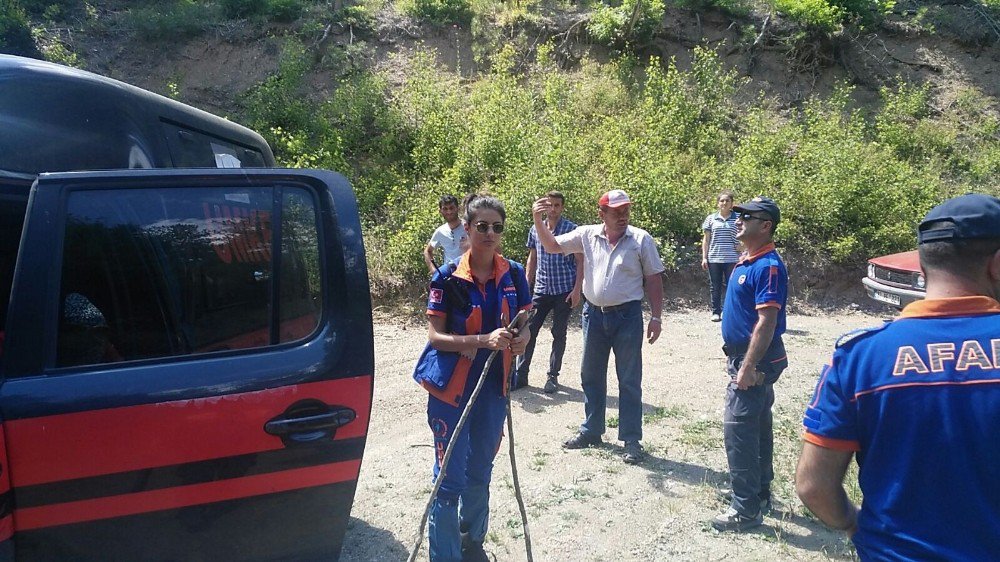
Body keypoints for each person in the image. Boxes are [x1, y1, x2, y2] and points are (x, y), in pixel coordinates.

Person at [796, 193, 1000, 560]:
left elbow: (813, 486)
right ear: (997, 265)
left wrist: (851, 522)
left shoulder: (860, 356)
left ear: (923, 267)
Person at [412, 195, 532, 562]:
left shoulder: (512, 273)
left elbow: (523, 323)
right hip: (452, 392)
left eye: (497, 226)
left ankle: (472, 543)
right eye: (481, 226)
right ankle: (445, 557)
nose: (489, 233)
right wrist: (482, 340)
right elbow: (435, 337)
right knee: (449, 479)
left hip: (494, 391)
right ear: (466, 228)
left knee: (481, 468)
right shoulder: (447, 279)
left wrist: (522, 340)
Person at [531, 189, 665, 465]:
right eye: (616, 211)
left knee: (629, 378)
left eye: (626, 210)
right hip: (593, 315)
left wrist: (656, 316)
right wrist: (537, 220)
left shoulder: (640, 240)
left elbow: (654, 279)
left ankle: (631, 439)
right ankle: (592, 430)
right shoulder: (586, 235)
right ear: (601, 213)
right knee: (590, 374)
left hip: (627, 316)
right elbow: (552, 246)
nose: (623, 216)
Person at [713, 196, 788, 532]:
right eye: (738, 213)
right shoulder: (749, 261)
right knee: (757, 426)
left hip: (754, 358)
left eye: (747, 215)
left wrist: (746, 366)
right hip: (746, 355)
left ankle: (745, 511)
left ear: (766, 225)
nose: (738, 218)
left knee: (739, 431)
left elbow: (767, 321)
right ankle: (758, 494)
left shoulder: (767, 265)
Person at [512, 190, 583, 393]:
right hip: (541, 289)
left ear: (562, 207)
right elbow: (532, 259)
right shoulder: (536, 229)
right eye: (549, 204)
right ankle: (521, 374)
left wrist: (577, 290)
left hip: (564, 290)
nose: (552, 209)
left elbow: (580, 261)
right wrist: (525, 287)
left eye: (557, 205)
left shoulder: (571, 229)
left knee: (558, 333)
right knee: (529, 331)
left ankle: (552, 377)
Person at [701, 190, 740, 322]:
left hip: (733, 258)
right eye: (721, 201)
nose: (724, 203)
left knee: (732, 285)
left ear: (731, 203)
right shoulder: (711, 219)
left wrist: (743, 248)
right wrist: (704, 257)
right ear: (718, 203)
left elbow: (745, 235)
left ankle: (729, 312)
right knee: (715, 286)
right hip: (714, 258)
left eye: (727, 201)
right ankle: (716, 312)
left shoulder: (738, 218)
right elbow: (706, 240)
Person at [423, 194, 469, 274]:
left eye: (451, 208)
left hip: (468, 272)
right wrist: (434, 270)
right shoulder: (440, 231)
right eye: (445, 209)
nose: (449, 212)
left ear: (458, 208)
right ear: (440, 211)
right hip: (449, 275)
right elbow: (427, 251)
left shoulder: (468, 227)